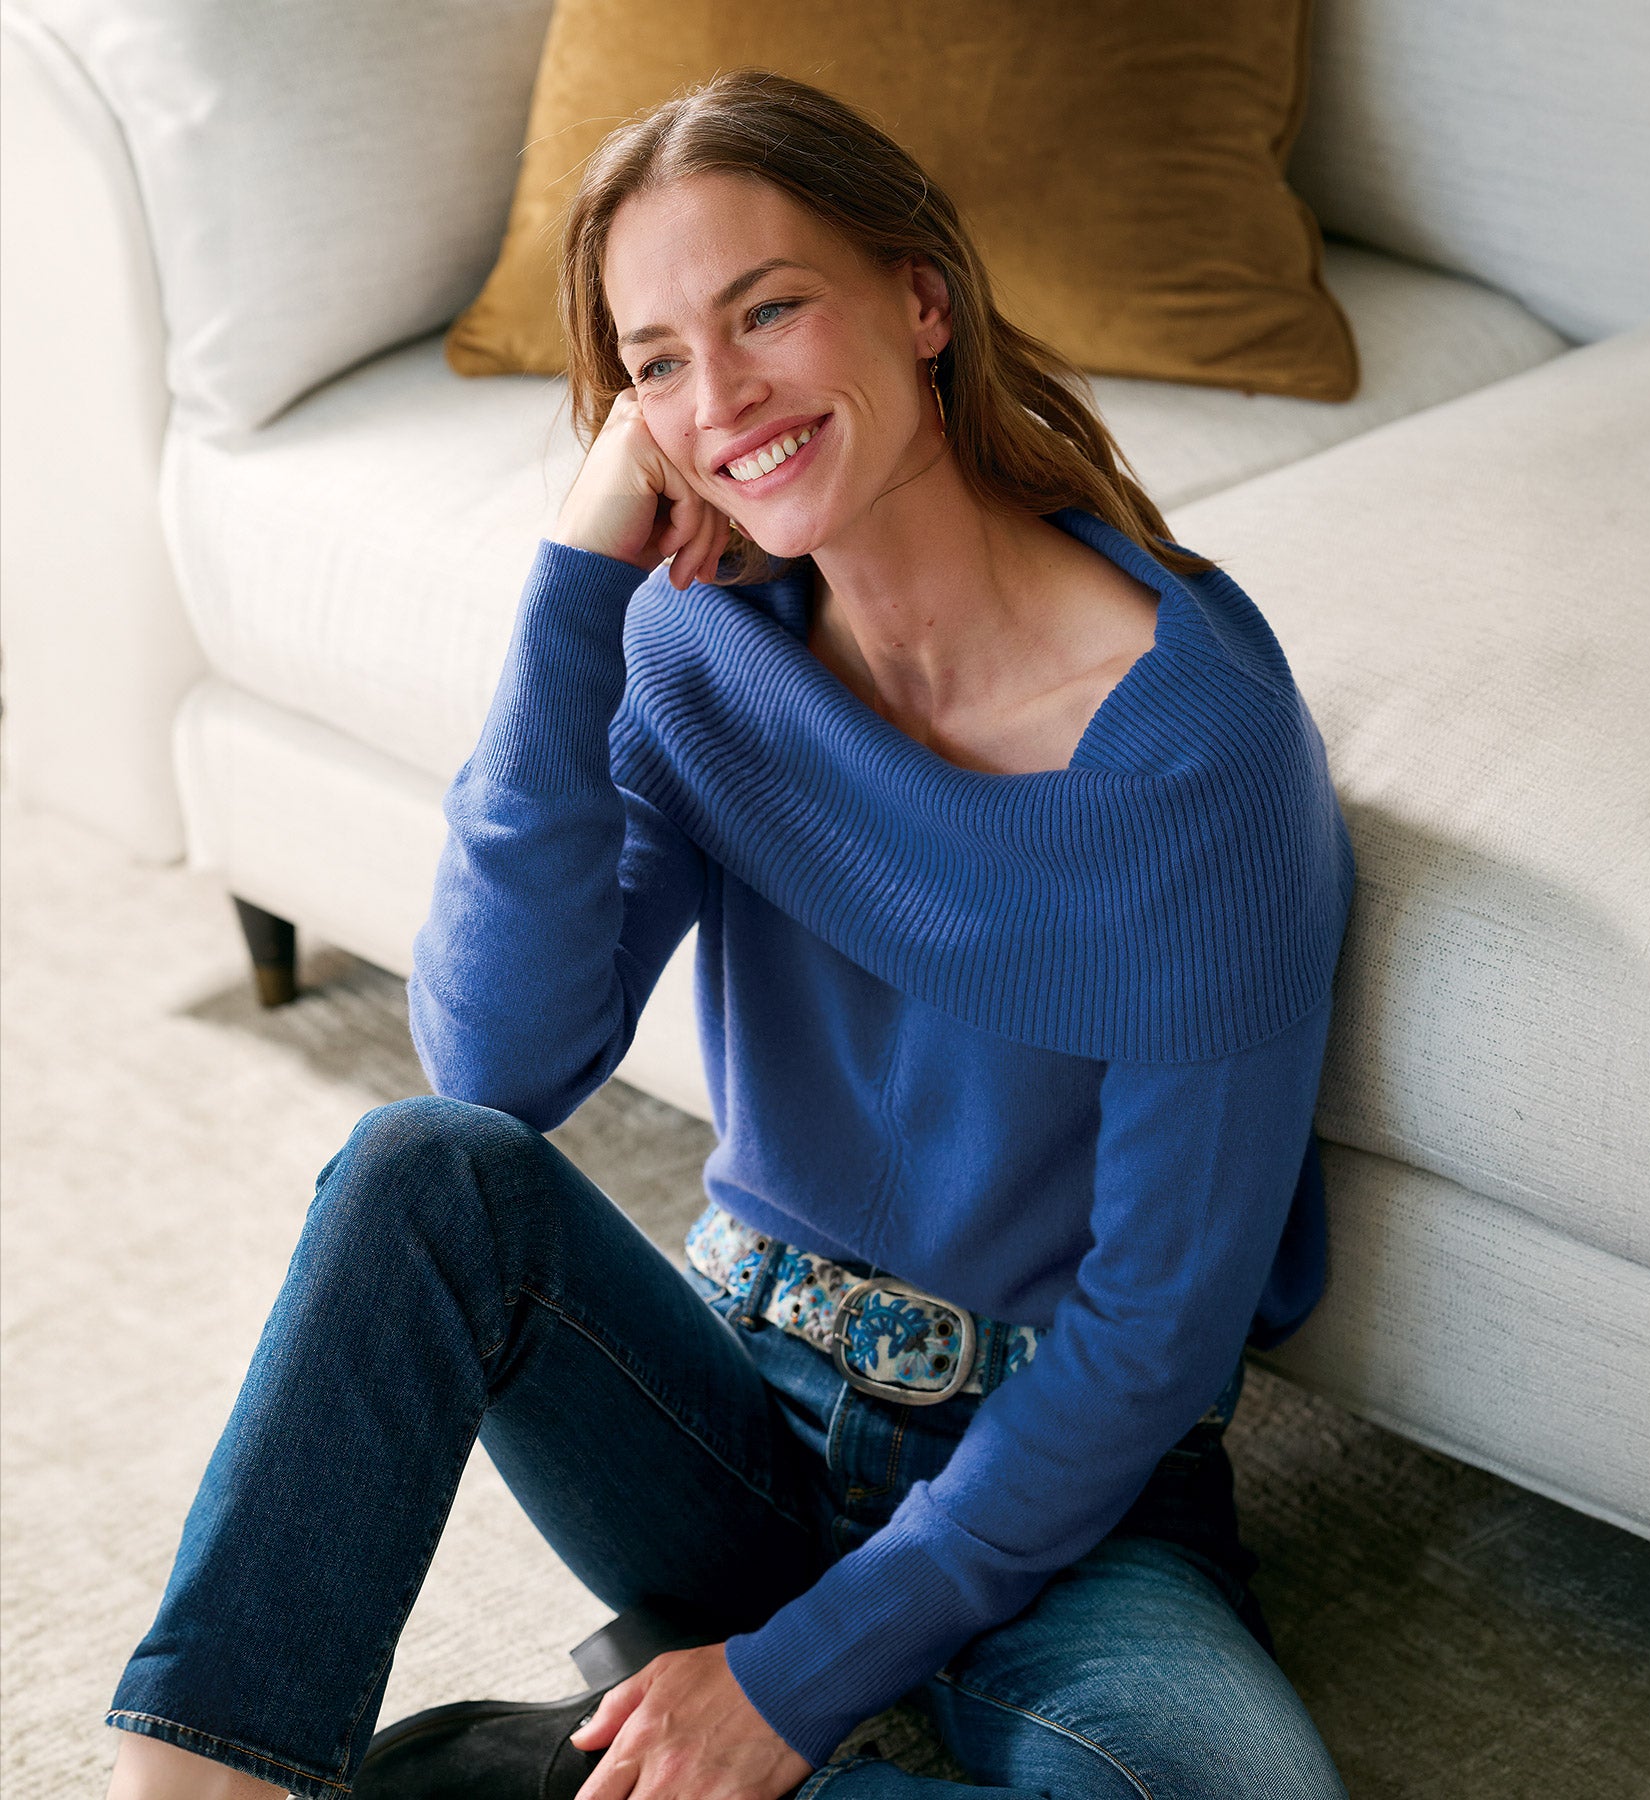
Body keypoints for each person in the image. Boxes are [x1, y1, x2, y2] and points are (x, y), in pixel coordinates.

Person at [103, 65, 1356, 1800]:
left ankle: (500, 1784)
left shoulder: (1195, 752)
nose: (723, 397)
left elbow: (1155, 1337)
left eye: (768, 310)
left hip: (1077, 1489)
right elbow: (497, 1071)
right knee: (422, 1171)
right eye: (658, 363)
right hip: (737, 1415)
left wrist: (789, 1687)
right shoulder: (706, 648)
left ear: (922, 301)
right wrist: (577, 590)